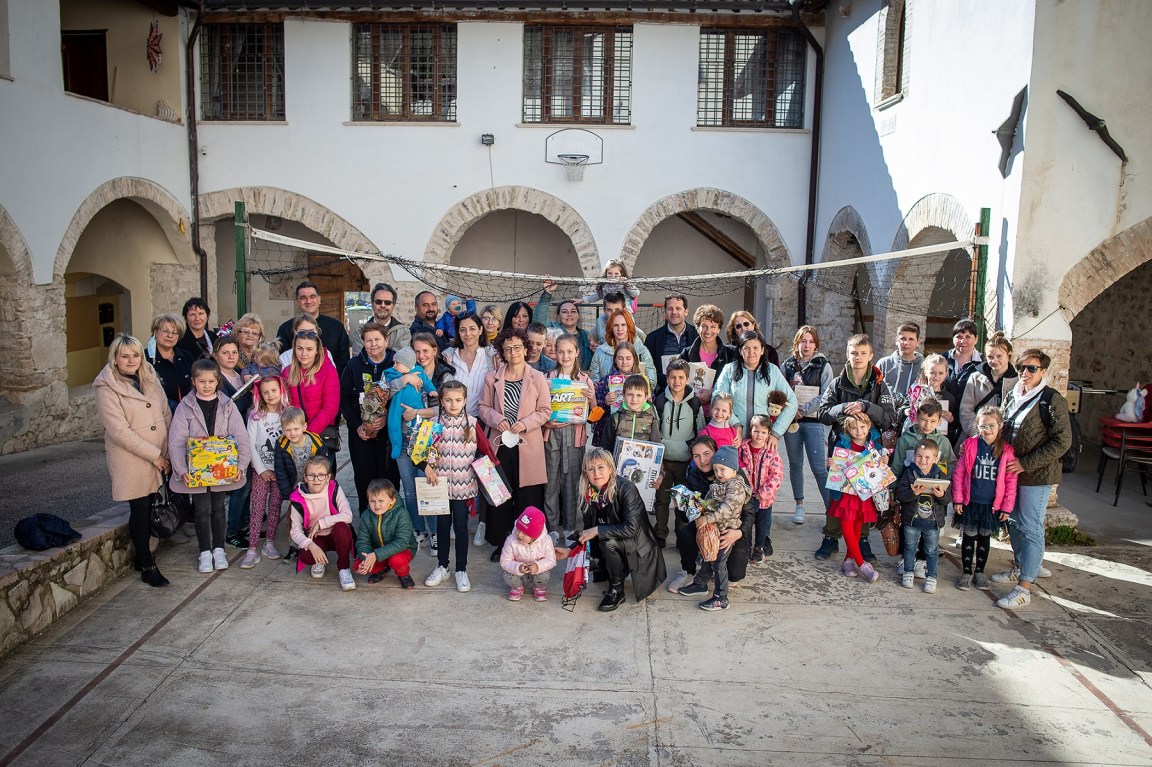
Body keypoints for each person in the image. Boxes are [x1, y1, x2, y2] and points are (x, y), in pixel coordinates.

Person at [991, 349, 1072, 609]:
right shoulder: (1012, 395)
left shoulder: (1051, 399)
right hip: (1013, 474)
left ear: (1043, 371)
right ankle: (1019, 566)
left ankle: (1025, 586)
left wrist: (1026, 463)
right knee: (1013, 522)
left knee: (1031, 526)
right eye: (1022, 367)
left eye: (1032, 368)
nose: (1025, 373)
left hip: (1036, 474)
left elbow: (1062, 441)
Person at [93, 334, 173, 588]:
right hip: (133, 458)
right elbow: (119, 431)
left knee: (150, 505)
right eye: (125, 356)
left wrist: (168, 451)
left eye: (135, 355)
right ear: (115, 359)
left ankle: (141, 556)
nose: (131, 360)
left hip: (159, 455)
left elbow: (164, 412)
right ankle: (147, 565)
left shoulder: (148, 377)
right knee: (139, 509)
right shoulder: (107, 387)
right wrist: (155, 456)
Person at [815, 333, 896, 562]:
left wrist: (866, 406)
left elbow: (889, 418)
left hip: (868, 448)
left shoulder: (879, 384)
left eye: (862, 353)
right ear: (847, 355)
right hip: (843, 447)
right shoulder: (837, 383)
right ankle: (831, 537)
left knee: (864, 494)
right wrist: (843, 408)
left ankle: (863, 540)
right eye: (853, 353)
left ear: (871, 356)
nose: (858, 358)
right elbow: (823, 414)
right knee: (838, 494)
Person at [168, 358, 252, 574]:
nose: (206, 385)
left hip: (222, 469)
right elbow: (176, 440)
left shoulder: (227, 405)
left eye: (211, 381)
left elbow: (241, 436)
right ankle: (205, 551)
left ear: (218, 381)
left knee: (218, 509)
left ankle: (219, 549)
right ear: (194, 381)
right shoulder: (185, 407)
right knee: (202, 510)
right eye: (201, 381)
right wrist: (182, 470)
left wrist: (240, 466)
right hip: (197, 470)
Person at [479, 328, 552, 562]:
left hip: (526, 444)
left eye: (518, 347)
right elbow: (482, 408)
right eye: (508, 348)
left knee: (526, 496)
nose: (513, 352)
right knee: (500, 496)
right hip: (500, 444)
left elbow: (545, 411)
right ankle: (503, 544)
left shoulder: (538, 377)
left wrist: (525, 423)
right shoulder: (492, 378)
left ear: (526, 349)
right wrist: (497, 419)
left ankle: (529, 544)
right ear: (502, 351)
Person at [424, 380, 495, 593]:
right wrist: (426, 466)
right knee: (442, 528)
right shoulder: (433, 424)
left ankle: (461, 570)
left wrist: (486, 469)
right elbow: (419, 451)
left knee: (462, 529)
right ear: (441, 401)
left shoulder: (473, 424)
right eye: (448, 400)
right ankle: (442, 566)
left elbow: (485, 451)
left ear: (465, 400)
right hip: (440, 487)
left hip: (464, 488)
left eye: (457, 400)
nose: (453, 404)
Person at [577, 448, 667, 611]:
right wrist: (570, 550)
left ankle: (617, 591)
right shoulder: (589, 493)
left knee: (607, 543)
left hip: (637, 546)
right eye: (591, 469)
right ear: (586, 473)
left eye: (601, 467)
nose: (596, 473)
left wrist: (597, 530)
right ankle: (614, 568)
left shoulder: (626, 488)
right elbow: (588, 530)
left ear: (611, 468)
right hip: (619, 539)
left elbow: (631, 528)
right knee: (598, 544)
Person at [675, 445, 751, 611]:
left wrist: (707, 518)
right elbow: (708, 501)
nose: (719, 474)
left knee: (718, 563)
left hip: (727, 530)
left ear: (734, 469)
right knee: (708, 556)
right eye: (716, 470)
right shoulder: (719, 483)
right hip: (715, 528)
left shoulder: (736, 486)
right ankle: (700, 584)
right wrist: (696, 504)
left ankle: (721, 597)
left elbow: (727, 509)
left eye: (723, 469)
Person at [952, 406, 1017, 591]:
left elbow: (1011, 481)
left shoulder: (1006, 451)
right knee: (969, 536)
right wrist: (958, 498)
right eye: (982, 426)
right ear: (977, 426)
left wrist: (1006, 507)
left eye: (991, 426)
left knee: (984, 538)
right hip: (971, 502)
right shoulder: (971, 446)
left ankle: (979, 572)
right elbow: (959, 473)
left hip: (991, 505)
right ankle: (966, 572)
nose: (986, 430)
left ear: (1000, 426)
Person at [340, 321, 397, 514]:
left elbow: (402, 397)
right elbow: (344, 398)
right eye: (369, 340)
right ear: (363, 343)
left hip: (388, 434)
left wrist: (387, 416)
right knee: (364, 477)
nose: (374, 344)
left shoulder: (395, 364)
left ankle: (390, 521)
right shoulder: (354, 365)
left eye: (378, 339)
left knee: (388, 477)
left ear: (386, 340)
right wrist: (357, 426)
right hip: (361, 435)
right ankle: (367, 521)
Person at [543, 334, 595, 544]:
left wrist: (591, 398)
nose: (565, 356)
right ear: (555, 352)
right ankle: (553, 529)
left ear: (577, 353)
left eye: (569, 352)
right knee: (551, 485)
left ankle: (571, 528)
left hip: (575, 437)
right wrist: (546, 423)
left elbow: (594, 414)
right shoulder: (547, 377)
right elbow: (538, 408)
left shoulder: (584, 380)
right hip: (552, 436)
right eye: (561, 351)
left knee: (572, 484)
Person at [781, 325, 834, 525]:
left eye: (811, 341)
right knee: (795, 464)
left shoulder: (823, 365)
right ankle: (799, 505)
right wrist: (792, 409)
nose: (807, 345)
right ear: (797, 342)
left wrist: (804, 409)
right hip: (792, 422)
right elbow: (780, 390)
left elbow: (826, 394)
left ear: (816, 344)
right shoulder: (787, 365)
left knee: (819, 468)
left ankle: (831, 511)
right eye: (803, 341)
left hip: (813, 422)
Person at [385, 346, 437, 541]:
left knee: (425, 486)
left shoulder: (420, 373)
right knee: (409, 490)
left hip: (422, 438)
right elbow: (383, 391)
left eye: (398, 363)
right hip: (402, 433)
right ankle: (417, 528)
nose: (394, 364)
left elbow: (432, 390)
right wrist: (404, 379)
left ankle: (434, 532)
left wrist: (432, 392)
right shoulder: (391, 375)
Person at [653, 359, 705, 549]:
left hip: (685, 460)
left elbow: (700, 430)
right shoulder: (659, 401)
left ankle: (682, 533)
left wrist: (696, 454)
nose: (677, 381)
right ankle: (660, 533)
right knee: (662, 499)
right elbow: (655, 430)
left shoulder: (695, 402)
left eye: (681, 377)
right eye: (673, 377)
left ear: (687, 379)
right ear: (667, 379)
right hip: (664, 460)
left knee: (683, 500)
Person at [825, 412, 883, 583]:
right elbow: (834, 467)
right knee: (847, 526)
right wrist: (831, 464)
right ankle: (862, 563)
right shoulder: (844, 443)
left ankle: (848, 560)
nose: (859, 431)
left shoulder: (873, 446)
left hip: (863, 493)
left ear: (869, 427)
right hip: (846, 492)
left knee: (857, 525)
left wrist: (883, 460)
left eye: (862, 427)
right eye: (854, 428)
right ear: (848, 429)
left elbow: (879, 469)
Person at [287, 455, 357, 591]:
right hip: (316, 537)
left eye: (321, 475)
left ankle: (343, 568)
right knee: (307, 556)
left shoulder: (334, 488)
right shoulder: (297, 498)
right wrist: (311, 545)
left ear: (328, 477)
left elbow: (348, 516)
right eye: (312, 475)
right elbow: (295, 531)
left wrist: (321, 522)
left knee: (342, 527)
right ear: (306, 477)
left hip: (335, 533)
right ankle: (318, 560)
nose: (316, 479)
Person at [713, 330, 797, 439]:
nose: (751, 352)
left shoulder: (772, 371)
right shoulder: (729, 370)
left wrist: (776, 433)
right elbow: (717, 397)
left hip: (762, 440)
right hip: (733, 436)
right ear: (740, 351)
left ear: (762, 350)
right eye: (746, 348)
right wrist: (736, 424)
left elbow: (792, 401)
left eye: (755, 348)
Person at [241, 375, 288, 569]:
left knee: (276, 506)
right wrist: (260, 469)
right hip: (261, 470)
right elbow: (250, 444)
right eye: (265, 392)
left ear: (281, 391)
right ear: (259, 394)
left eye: (273, 391)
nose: (270, 395)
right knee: (258, 507)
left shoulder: (287, 414)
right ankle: (252, 548)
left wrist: (282, 470)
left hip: (280, 471)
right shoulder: (255, 416)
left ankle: (269, 542)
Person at [893, 439, 951, 594]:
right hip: (912, 521)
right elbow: (900, 494)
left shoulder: (940, 474)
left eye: (927, 457)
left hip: (932, 523)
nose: (922, 461)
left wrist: (942, 495)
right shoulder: (908, 473)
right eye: (919, 456)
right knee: (910, 547)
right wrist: (914, 493)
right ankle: (908, 572)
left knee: (931, 550)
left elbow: (947, 499)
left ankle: (931, 576)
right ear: (914, 457)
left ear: (935, 459)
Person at [273, 407, 329, 562]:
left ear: (304, 427)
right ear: (282, 429)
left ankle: (317, 543)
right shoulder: (282, 444)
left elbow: (325, 464)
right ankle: (294, 547)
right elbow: (280, 471)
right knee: (293, 519)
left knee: (313, 516)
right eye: (288, 430)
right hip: (294, 489)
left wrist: (323, 486)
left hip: (313, 486)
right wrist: (287, 494)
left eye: (296, 429)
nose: (292, 433)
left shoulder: (315, 442)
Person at [283, 329, 340, 472]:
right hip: (294, 436)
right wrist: (296, 432)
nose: (304, 353)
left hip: (320, 437)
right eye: (300, 348)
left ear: (317, 350)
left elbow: (330, 408)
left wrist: (307, 434)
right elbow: (285, 404)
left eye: (309, 349)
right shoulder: (287, 372)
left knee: (319, 481)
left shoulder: (328, 371)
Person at [275, 280, 351, 376]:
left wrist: (327, 378)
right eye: (303, 298)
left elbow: (344, 359)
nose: (308, 301)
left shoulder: (337, 327)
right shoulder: (285, 329)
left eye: (312, 296)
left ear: (319, 299)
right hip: (296, 383)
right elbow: (284, 362)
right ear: (297, 302)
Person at [354, 478, 417, 589]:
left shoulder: (401, 513)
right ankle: (381, 569)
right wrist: (366, 559)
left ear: (392, 499)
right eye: (372, 501)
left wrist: (376, 555)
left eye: (381, 501)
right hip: (378, 549)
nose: (376, 505)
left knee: (397, 561)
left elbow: (401, 542)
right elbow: (362, 541)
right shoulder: (366, 515)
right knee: (358, 565)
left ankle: (404, 575)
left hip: (402, 549)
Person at [740, 414, 784, 561]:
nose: (759, 435)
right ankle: (746, 546)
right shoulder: (743, 448)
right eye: (756, 431)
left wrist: (764, 493)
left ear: (768, 434)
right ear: (750, 431)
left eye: (763, 432)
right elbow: (738, 468)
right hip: (746, 496)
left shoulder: (771, 452)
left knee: (762, 524)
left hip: (765, 498)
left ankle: (759, 547)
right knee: (747, 522)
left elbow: (777, 474)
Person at [959, 332, 1018, 439]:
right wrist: (979, 434)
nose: (994, 361)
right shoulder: (975, 377)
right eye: (990, 357)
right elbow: (966, 411)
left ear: (1008, 355)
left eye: (999, 356)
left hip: (1004, 440)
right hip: (977, 436)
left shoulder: (1017, 381)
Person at [678, 304, 735, 412]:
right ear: (697, 328)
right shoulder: (686, 354)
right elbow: (677, 384)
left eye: (713, 327)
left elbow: (736, 387)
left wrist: (713, 392)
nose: (708, 331)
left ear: (719, 329)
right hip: (691, 414)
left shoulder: (731, 354)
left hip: (721, 416)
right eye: (704, 326)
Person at [534, 279, 594, 370]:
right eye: (565, 312)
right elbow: (538, 322)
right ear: (558, 316)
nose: (569, 314)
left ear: (578, 316)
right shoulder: (551, 330)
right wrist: (547, 293)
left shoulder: (587, 336)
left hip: (582, 380)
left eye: (573, 311)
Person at [499, 507, 557, 601]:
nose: (519, 535)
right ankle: (517, 587)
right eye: (518, 529)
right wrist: (518, 567)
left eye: (525, 533)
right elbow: (505, 561)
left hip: (537, 572)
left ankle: (539, 587)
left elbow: (551, 560)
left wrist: (538, 566)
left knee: (544, 575)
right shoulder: (511, 540)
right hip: (519, 573)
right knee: (508, 575)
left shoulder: (546, 540)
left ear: (535, 536)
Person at [644, 293, 699, 392]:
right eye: (670, 309)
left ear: (686, 311)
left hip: (692, 393)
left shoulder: (697, 336)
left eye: (678, 308)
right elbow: (647, 369)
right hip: (662, 394)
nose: (674, 312)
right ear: (665, 312)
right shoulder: (652, 339)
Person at [589, 309, 657, 383]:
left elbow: (651, 379)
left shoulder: (641, 350)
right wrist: (605, 390)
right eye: (616, 325)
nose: (620, 329)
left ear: (629, 326)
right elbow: (594, 380)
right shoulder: (600, 351)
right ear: (611, 328)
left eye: (623, 325)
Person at [906, 353, 960, 446]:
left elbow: (954, 424)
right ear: (926, 372)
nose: (936, 376)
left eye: (940, 373)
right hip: (914, 439)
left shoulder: (949, 398)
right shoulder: (917, 392)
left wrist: (951, 419)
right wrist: (908, 411)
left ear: (946, 373)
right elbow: (903, 409)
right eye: (932, 373)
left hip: (937, 442)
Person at [146, 312, 195, 412]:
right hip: (160, 414)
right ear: (155, 331)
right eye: (165, 331)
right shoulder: (145, 358)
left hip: (189, 413)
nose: (170, 335)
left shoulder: (187, 356)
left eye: (175, 332)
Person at [892, 399, 955, 471]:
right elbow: (896, 468)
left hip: (935, 481)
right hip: (908, 481)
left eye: (933, 421)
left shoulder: (943, 442)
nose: (928, 425)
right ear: (917, 417)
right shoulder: (904, 440)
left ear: (939, 421)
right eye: (923, 419)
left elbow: (950, 465)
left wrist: (945, 480)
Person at [602, 375, 662, 448]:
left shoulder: (651, 420)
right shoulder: (615, 418)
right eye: (630, 395)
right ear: (623, 395)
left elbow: (656, 446)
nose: (634, 399)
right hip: (618, 459)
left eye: (639, 395)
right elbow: (606, 446)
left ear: (645, 397)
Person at [876, 321, 924, 407]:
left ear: (918, 342)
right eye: (903, 338)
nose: (906, 343)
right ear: (896, 340)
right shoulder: (884, 364)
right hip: (886, 413)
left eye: (911, 339)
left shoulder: (924, 366)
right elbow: (875, 392)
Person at [944, 318, 982, 400]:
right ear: (953, 338)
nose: (962, 341)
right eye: (959, 337)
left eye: (968, 337)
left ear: (976, 339)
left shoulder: (983, 363)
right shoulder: (942, 359)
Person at [367, 282, 411, 351]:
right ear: (372, 303)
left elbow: (400, 359)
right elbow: (360, 360)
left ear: (393, 306)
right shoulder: (360, 332)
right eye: (378, 301)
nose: (383, 305)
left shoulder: (403, 332)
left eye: (387, 302)